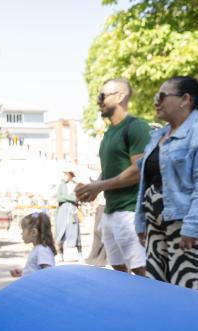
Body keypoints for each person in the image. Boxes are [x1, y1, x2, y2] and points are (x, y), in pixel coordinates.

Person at [135, 76, 198, 295]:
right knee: (161, 294)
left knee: (196, 293)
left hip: (193, 226)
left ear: (185, 99)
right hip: (159, 226)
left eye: (161, 96)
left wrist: (193, 226)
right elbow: (147, 180)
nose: (155, 102)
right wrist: (141, 222)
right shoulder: (160, 134)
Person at [76, 78, 151, 275]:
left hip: (130, 212)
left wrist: (100, 186)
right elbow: (112, 170)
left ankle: (152, 305)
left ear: (120, 96)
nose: (98, 101)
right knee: (118, 270)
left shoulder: (136, 127)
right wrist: (94, 188)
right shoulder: (109, 133)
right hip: (110, 211)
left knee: (141, 270)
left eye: (102, 96)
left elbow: (138, 170)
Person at [10, 211, 57, 277]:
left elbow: (48, 273)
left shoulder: (42, 250)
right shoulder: (38, 249)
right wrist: (23, 272)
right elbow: (34, 270)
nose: (21, 233)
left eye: (23, 230)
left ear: (34, 232)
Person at [54, 169, 82, 261]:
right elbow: (59, 197)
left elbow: (77, 198)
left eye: (66, 174)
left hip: (72, 212)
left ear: (70, 175)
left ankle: (80, 254)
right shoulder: (61, 185)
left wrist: (66, 198)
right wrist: (70, 198)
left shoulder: (76, 185)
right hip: (62, 212)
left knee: (75, 232)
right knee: (60, 232)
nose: (64, 176)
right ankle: (61, 254)